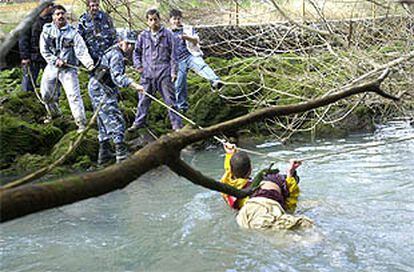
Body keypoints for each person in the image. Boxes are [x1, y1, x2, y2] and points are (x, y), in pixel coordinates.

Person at [221, 142, 313, 230]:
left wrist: (230, 154)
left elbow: (229, 172)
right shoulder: (273, 179)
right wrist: (290, 173)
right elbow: (290, 205)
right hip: (267, 206)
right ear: (250, 170)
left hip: (247, 213)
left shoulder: (228, 188)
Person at [88, 29, 144, 165]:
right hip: (101, 90)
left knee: (103, 122)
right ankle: (121, 159)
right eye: (127, 43)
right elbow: (117, 77)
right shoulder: (116, 55)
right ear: (120, 42)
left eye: (132, 44)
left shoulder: (114, 51)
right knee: (116, 121)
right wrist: (134, 85)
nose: (130, 47)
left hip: (97, 87)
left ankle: (104, 156)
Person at [39, 4, 95, 132]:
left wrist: (89, 64)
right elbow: (44, 50)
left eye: (62, 14)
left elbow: (81, 50)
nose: (60, 16)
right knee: (46, 94)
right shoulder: (47, 31)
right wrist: (55, 60)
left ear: (66, 16)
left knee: (74, 96)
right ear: (53, 17)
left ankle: (81, 123)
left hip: (69, 70)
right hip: (52, 67)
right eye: (57, 14)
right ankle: (55, 114)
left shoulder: (73, 33)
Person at [128, 8, 183, 132]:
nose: (153, 22)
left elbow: (174, 55)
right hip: (147, 73)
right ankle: (138, 123)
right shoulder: (143, 36)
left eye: (155, 19)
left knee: (170, 100)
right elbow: (136, 53)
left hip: (164, 72)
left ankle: (177, 125)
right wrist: (139, 67)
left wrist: (174, 72)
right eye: (151, 20)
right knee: (143, 100)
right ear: (147, 21)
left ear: (160, 20)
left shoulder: (168, 35)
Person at [169, 9, 223, 113]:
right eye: (174, 19)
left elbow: (196, 40)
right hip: (177, 61)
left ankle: (215, 81)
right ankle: (182, 107)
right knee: (180, 84)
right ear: (170, 20)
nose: (177, 21)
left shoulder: (188, 29)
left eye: (178, 19)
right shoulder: (167, 33)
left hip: (190, 55)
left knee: (201, 65)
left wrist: (186, 37)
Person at [19, 0, 54, 92]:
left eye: (52, 5)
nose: (51, 8)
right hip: (33, 57)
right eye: (48, 6)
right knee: (28, 83)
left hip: (49, 57)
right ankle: (26, 100)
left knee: (52, 82)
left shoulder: (54, 20)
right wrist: (25, 57)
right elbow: (23, 39)